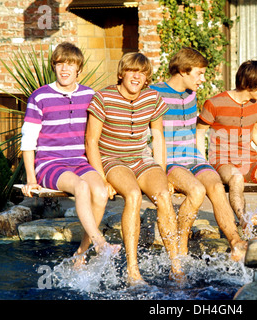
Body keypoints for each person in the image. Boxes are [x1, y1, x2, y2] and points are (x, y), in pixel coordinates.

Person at [85, 52, 184, 286]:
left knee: (163, 196)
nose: (136, 76)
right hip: (112, 159)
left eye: (141, 72)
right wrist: (102, 180)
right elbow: (91, 141)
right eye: (131, 71)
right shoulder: (103, 97)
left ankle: (176, 267)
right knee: (133, 195)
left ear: (147, 77)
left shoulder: (152, 97)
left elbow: (158, 135)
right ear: (121, 73)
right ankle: (133, 270)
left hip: (141, 159)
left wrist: (162, 171)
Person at [20, 42, 120, 265]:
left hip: (79, 161)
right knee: (81, 187)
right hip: (50, 163)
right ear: (54, 67)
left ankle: (80, 255)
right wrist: (30, 178)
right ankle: (100, 243)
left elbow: (99, 136)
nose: (64, 69)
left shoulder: (91, 95)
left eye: (70, 64)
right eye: (59, 64)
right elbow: (28, 140)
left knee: (101, 192)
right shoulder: (39, 97)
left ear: (79, 70)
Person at [150, 47, 247, 261]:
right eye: (199, 73)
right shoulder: (154, 93)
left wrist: (202, 158)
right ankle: (181, 247)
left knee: (215, 186)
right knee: (196, 190)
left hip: (193, 157)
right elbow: (148, 135)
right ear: (183, 71)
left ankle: (235, 242)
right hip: (170, 161)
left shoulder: (191, 94)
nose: (202, 79)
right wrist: (157, 171)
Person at [197, 60, 257, 231]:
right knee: (236, 177)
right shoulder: (214, 103)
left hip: (250, 161)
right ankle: (244, 219)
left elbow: (256, 133)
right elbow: (200, 132)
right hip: (222, 162)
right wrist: (202, 164)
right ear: (250, 84)